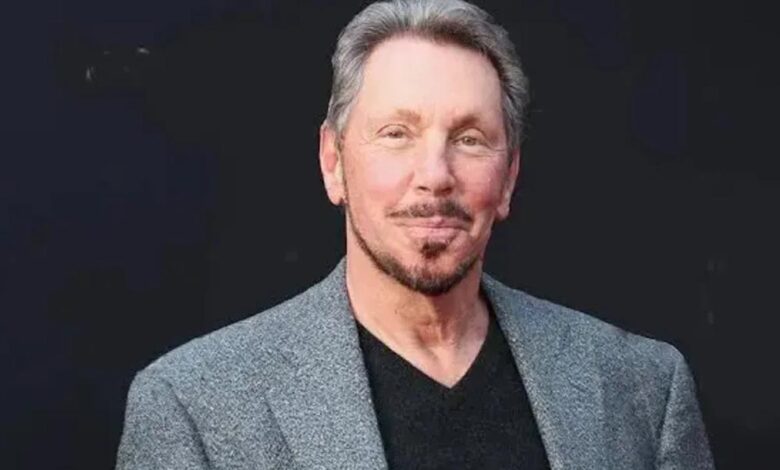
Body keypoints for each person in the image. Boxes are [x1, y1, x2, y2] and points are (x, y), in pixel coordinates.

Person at [116, 0, 714, 468]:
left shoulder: (642, 389)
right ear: (333, 162)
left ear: (509, 178)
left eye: (470, 139)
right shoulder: (194, 407)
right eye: (396, 133)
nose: (435, 175)